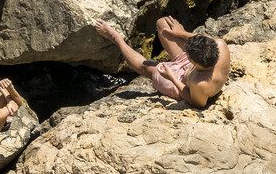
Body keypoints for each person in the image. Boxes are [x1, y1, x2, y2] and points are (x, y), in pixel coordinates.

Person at [92, 16, 231, 108]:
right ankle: (177, 45)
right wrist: (180, 33)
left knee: (145, 67)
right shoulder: (219, 45)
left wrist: (170, 76)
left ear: (193, 61)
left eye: (187, 53)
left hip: (181, 82)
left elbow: (197, 103)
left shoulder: (200, 84)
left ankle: (116, 39)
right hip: (191, 66)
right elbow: (204, 39)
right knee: (163, 24)